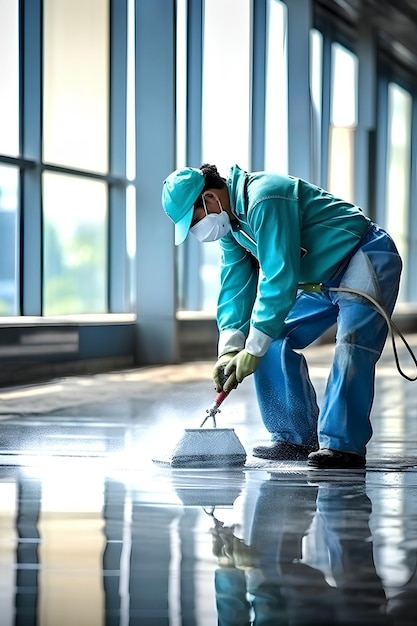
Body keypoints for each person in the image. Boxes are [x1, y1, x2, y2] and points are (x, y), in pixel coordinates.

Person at [161, 164, 402, 469]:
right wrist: (231, 349)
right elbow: (235, 285)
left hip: (363, 254)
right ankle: (296, 439)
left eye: (195, 221)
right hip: (322, 279)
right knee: (271, 338)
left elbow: (278, 275)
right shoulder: (232, 226)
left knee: (352, 345)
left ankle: (343, 446)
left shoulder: (265, 198)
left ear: (209, 198)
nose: (198, 231)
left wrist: (253, 347)